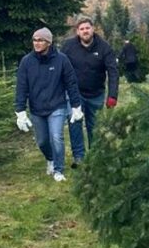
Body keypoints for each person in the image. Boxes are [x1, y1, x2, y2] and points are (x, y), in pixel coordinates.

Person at [15, 27, 84, 182]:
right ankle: (50, 159)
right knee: (42, 141)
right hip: (37, 108)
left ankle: (58, 170)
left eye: (40, 40)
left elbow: (71, 83)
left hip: (57, 106)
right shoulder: (27, 62)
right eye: (34, 40)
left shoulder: (61, 60)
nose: (36, 43)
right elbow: (21, 86)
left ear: (48, 42)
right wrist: (20, 111)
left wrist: (76, 106)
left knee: (56, 137)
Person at [60, 15, 119, 167]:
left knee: (95, 126)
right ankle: (79, 157)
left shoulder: (104, 47)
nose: (85, 31)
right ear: (77, 31)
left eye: (87, 28)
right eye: (82, 29)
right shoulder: (68, 46)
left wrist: (112, 95)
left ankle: (95, 156)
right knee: (75, 123)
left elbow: (113, 72)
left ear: (93, 29)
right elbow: (60, 68)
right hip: (75, 93)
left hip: (96, 93)